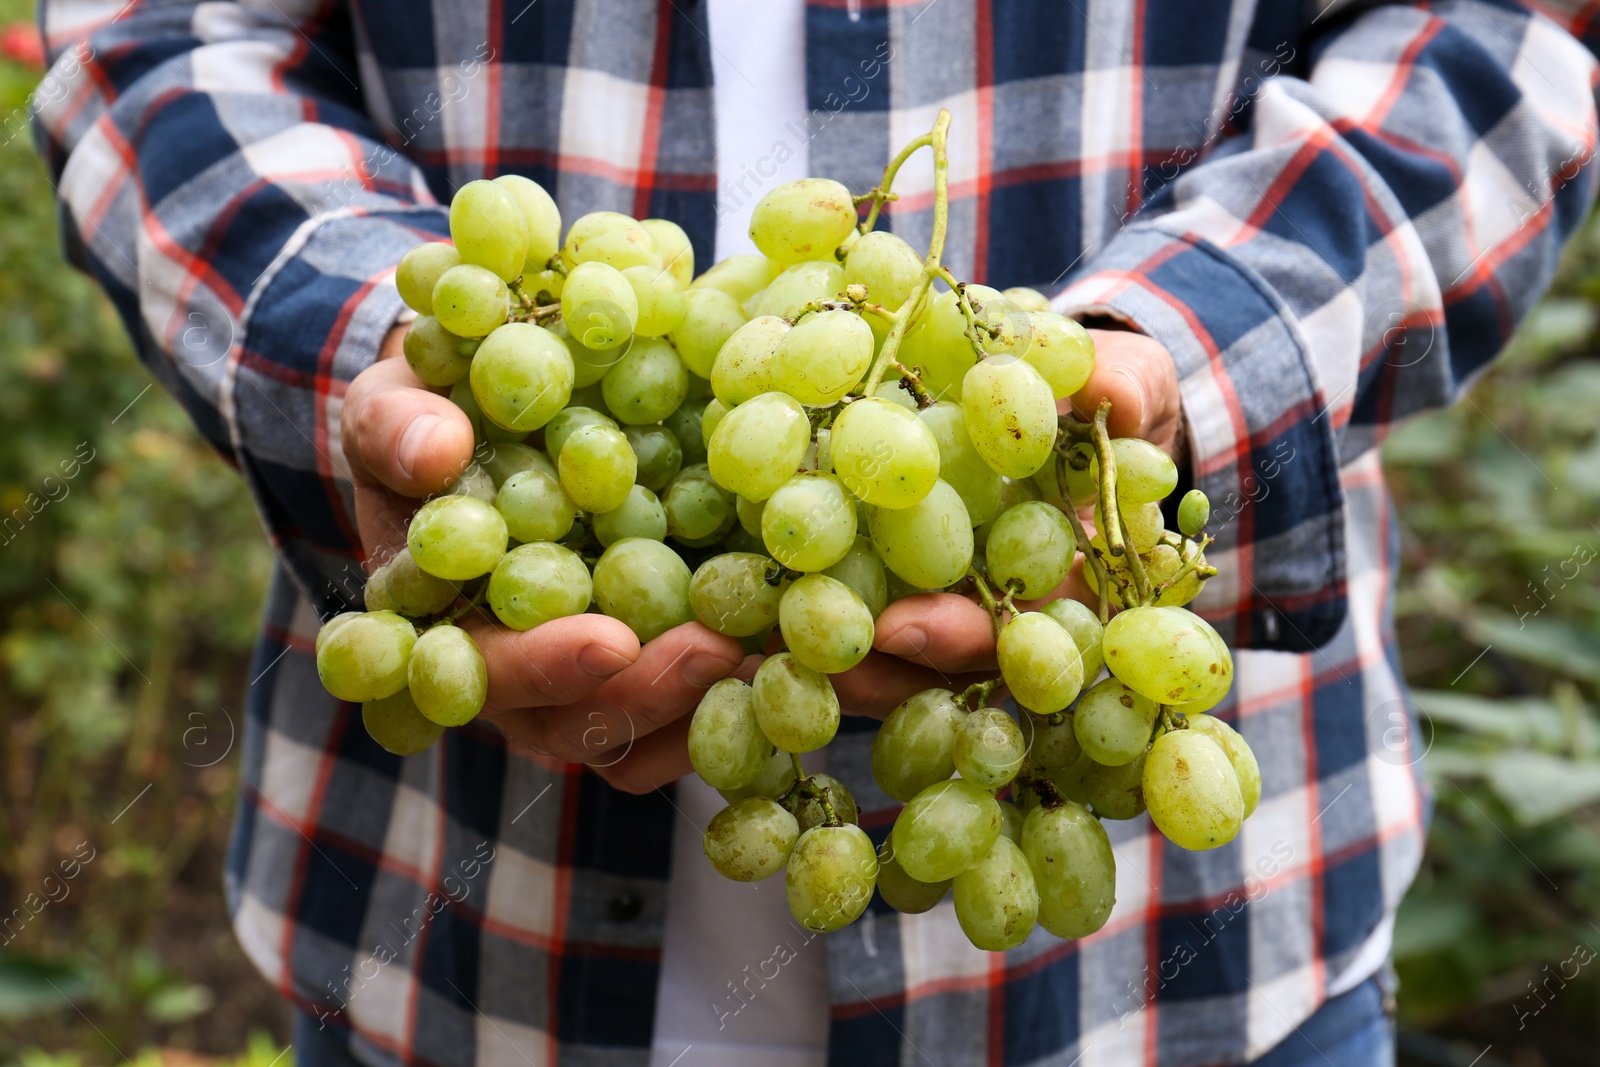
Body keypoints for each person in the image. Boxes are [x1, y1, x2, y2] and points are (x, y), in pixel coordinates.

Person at [32, 0, 1599, 1064]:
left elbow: (1490, 34)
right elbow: (162, 37)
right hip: (441, 967)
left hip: (1201, 991)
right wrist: (370, 354)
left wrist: (1189, 354)